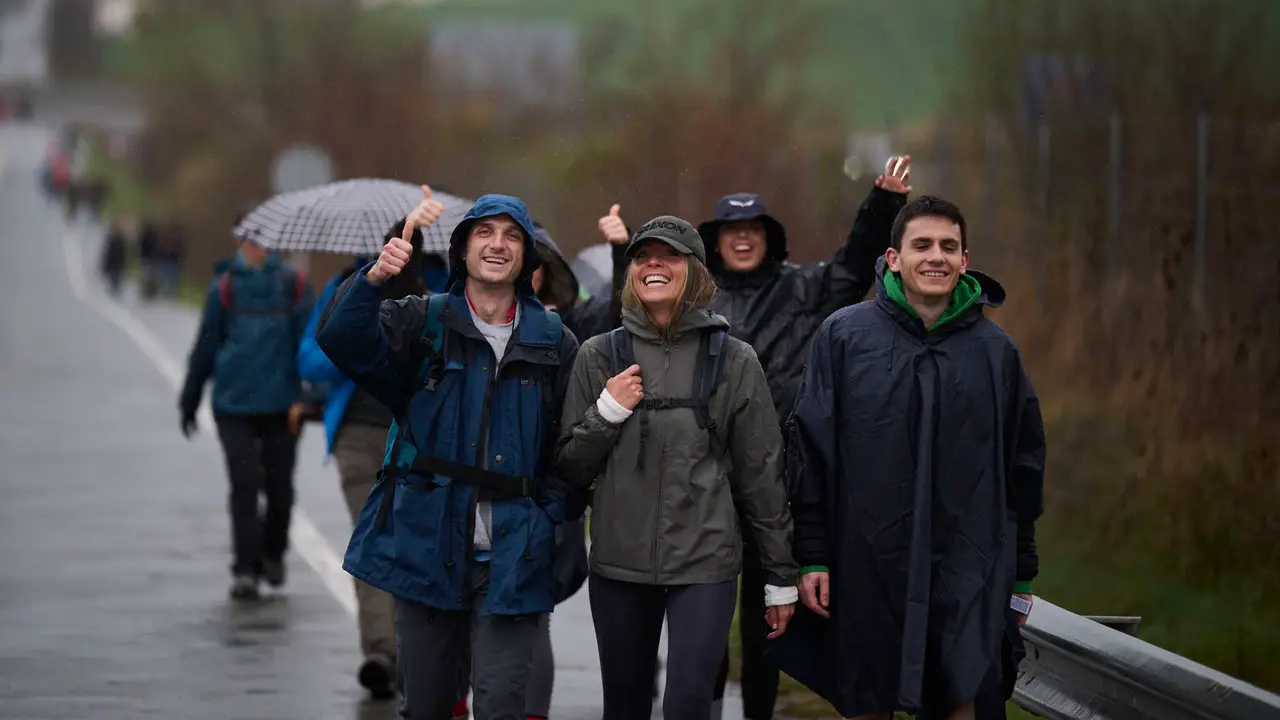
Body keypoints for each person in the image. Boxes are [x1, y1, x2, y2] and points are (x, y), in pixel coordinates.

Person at [776, 196, 1046, 720]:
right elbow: (811, 451)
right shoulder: (845, 337)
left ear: (966, 260)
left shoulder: (996, 352)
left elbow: (1023, 466)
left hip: (968, 562)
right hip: (867, 560)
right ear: (893, 258)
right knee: (868, 692)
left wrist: (1023, 574)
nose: (936, 257)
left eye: (949, 247)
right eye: (921, 245)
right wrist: (812, 554)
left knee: (961, 692)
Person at [315, 192, 581, 720]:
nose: (498, 245)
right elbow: (341, 340)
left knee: (502, 703)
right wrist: (373, 279)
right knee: (429, 705)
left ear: (528, 257)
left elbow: (569, 448)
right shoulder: (423, 322)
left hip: (513, 556)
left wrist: (547, 514)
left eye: (512, 236)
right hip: (427, 547)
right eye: (485, 233)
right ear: (461, 250)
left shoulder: (554, 341)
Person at [681, 156, 912, 720]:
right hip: (705, 483)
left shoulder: (805, 289)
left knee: (770, 615)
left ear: (768, 238)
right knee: (704, 616)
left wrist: (883, 203)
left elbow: (855, 266)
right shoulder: (693, 302)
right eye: (731, 232)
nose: (742, 240)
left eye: (752, 231)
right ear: (716, 241)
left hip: (777, 483)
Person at [554, 216, 797, 720]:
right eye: (643, 256)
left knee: (688, 702)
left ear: (696, 272)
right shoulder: (598, 356)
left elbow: (762, 476)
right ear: (630, 274)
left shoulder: (734, 360)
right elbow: (570, 469)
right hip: (619, 562)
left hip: (705, 563)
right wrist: (608, 412)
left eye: (669, 256)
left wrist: (779, 576)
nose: (654, 265)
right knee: (625, 705)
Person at [296, 216, 446, 700]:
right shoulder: (354, 286)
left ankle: (399, 652)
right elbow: (315, 357)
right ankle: (387, 653)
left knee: (402, 545)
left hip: (421, 442)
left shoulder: (443, 289)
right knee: (383, 540)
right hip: (363, 439)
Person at [178, 217, 314, 600]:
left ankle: (272, 552)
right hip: (233, 405)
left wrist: (311, 397)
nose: (256, 245)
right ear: (240, 239)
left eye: (263, 237)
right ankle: (245, 569)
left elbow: (315, 344)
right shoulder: (225, 287)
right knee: (244, 485)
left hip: (283, 406)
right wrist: (190, 400)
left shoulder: (295, 285)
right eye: (249, 237)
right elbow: (206, 346)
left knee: (280, 488)